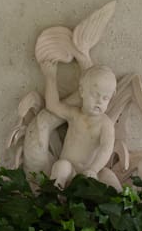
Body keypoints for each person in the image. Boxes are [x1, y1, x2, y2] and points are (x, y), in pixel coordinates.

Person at [44, 61, 121, 190]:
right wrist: (49, 76)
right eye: (95, 95)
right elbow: (52, 105)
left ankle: (124, 206)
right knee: (61, 166)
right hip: (70, 171)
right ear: (82, 91)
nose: (99, 102)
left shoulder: (105, 124)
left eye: (105, 98)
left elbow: (106, 148)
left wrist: (93, 169)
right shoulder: (75, 115)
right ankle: (54, 201)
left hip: (91, 174)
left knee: (108, 176)